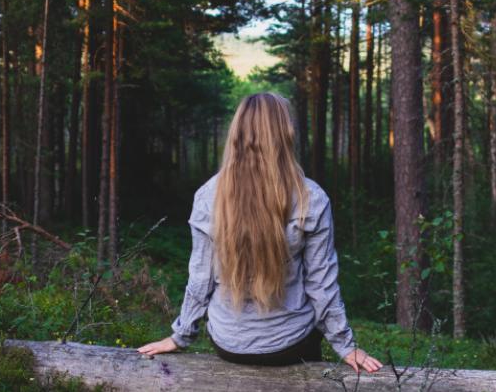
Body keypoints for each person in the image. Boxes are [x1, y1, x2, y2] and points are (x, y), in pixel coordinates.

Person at [137, 92, 382, 374]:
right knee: (307, 333)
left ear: (236, 135)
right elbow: (321, 284)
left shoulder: (207, 196)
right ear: (285, 134)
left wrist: (180, 337)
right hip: (291, 345)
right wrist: (345, 345)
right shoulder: (311, 198)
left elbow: (200, 279)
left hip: (229, 344)